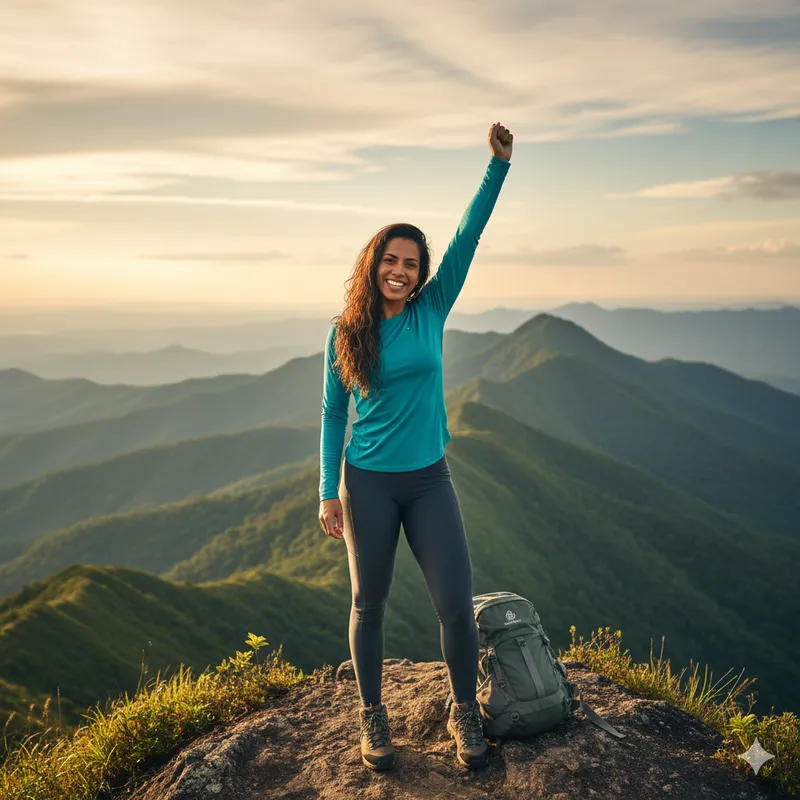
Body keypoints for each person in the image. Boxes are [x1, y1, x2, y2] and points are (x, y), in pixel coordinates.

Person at [317, 122, 513, 771]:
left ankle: (464, 712)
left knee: (454, 605)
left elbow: (467, 235)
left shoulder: (432, 309)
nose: (400, 271)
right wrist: (327, 490)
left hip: (429, 480)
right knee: (367, 604)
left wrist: (497, 167)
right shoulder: (345, 332)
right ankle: (372, 718)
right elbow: (331, 412)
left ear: (421, 274)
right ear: (372, 264)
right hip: (367, 482)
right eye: (391, 260)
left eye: (411, 264)